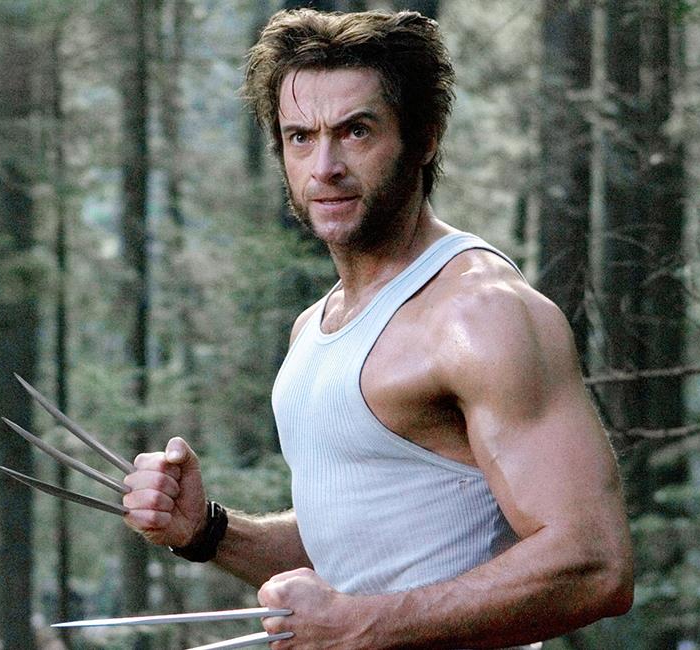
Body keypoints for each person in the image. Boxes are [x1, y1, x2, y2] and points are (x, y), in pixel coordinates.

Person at [122, 8, 633, 648]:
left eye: (355, 131)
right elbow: (364, 552)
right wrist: (208, 530)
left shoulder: (481, 314)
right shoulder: (314, 328)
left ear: (424, 138)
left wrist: (361, 626)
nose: (324, 166)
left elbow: (594, 564)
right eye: (300, 137)